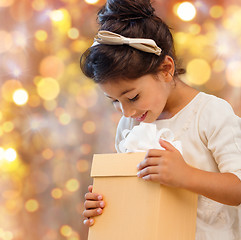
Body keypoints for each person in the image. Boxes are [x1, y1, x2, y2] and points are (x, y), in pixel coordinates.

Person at [80, 0, 241, 239]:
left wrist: (187, 176)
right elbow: (136, 196)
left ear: (166, 69)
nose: (126, 112)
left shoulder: (211, 113)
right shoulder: (129, 126)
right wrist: (106, 202)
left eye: (132, 97)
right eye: (114, 101)